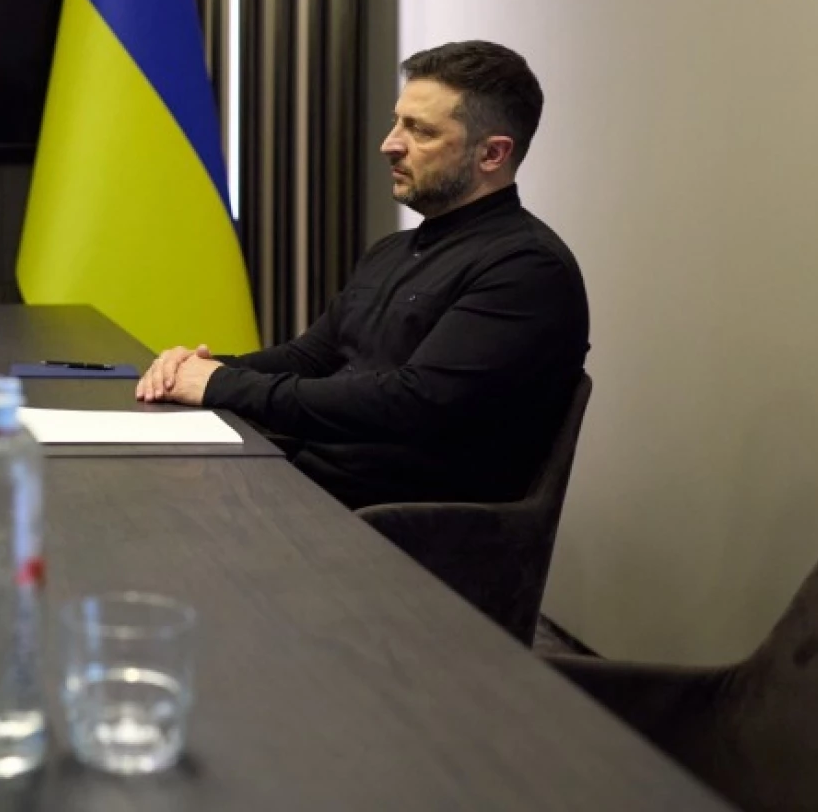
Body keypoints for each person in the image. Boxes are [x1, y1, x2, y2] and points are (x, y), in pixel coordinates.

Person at [137, 40, 588, 509]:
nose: (390, 144)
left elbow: (412, 404)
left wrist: (221, 384)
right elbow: (308, 358)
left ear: (492, 154)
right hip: (308, 484)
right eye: (398, 122)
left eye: (420, 131)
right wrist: (193, 371)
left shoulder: (527, 268)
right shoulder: (393, 250)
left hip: (392, 525)